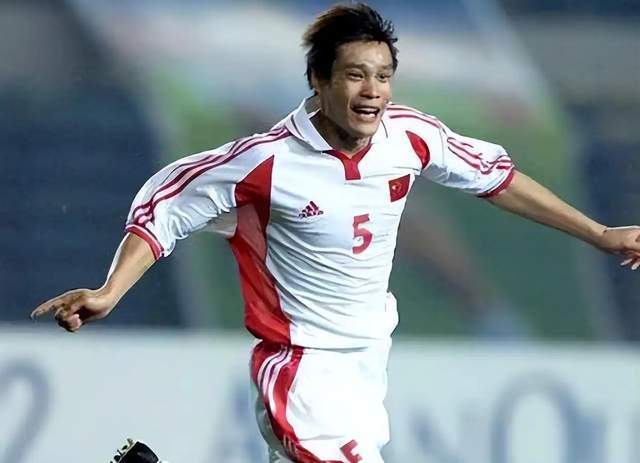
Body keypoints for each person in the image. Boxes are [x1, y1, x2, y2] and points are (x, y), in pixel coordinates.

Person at [31, 4, 640, 462]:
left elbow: (497, 178)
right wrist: (110, 290)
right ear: (318, 81)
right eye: (355, 75)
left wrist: (600, 233)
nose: (372, 91)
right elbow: (166, 201)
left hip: (366, 367)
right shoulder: (265, 161)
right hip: (300, 369)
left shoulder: (410, 136)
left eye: (383, 76)